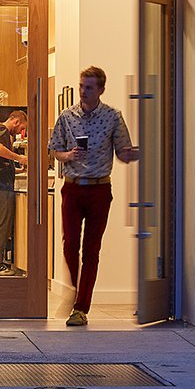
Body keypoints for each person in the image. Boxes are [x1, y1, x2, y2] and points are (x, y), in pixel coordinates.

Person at [49, 64, 140, 327]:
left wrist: (134, 153)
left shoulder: (112, 117)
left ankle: (80, 306)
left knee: (91, 249)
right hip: (73, 186)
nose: (83, 91)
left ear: (100, 90)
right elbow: (54, 149)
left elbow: (123, 152)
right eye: (81, 86)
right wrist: (68, 155)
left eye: (89, 87)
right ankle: (76, 289)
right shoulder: (67, 116)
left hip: (100, 188)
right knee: (69, 244)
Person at [0, 108, 27, 273]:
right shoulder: (2, 131)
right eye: (22, 127)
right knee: (0, 225)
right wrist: (19, 157)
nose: (22, 131)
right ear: (16, 121)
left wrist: (17, 170)